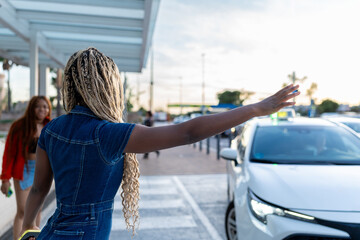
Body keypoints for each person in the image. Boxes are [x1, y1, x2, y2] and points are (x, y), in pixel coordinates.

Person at [21, 47, 300, 239]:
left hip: (50, 231)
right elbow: (188, 132)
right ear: (108, 85)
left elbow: (39, 189)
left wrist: (28, 228)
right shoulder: (108, 133)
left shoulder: (52, 130)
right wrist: (255, 109)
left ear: (70, 85)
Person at [0, 96, 51, 240]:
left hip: (42, 170)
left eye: (45, 106)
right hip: (24, 171)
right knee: (23, 211)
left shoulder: (50, 126)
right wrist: (5, 178)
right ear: (31, 108)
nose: (42, 109)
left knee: (37, 209)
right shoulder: (19, 126)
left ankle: (33, 238)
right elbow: (9, 153)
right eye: (38, 106)